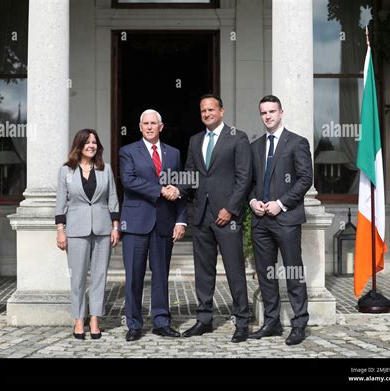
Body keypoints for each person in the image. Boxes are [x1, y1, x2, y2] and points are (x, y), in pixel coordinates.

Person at [179, 94, 252, 343]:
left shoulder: (237, 137)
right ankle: (204, 319)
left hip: (227, 216)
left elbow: (244, 177)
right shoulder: (195, 140)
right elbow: (190, 173)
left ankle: (242, 321)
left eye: (211, 109)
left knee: (234, 269)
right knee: (204, 271)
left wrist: (230, 209)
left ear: (222, 111)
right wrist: (176, 189)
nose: (207, 113)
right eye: (203, 111)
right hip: (201, 216)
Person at [248, 95, 312, 345]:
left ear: (281, 112)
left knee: (293, 271)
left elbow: (305, 179)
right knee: (265, 274)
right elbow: (250, 183)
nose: (268, 116)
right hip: (260, 220)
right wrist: (254, 202)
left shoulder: (297, 142)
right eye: (263, 112)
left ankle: (299, 323)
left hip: (286, 218)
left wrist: (281, 203)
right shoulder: (255, 147)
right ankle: (271, 322)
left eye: (272, 111)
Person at [119, 109, 187, 342]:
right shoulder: (128, 152)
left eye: (153, 123)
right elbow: (128, 181)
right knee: (134, 276)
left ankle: (161, 322)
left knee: (161, 275)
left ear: (161, 126)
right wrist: (159, 190)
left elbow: (179, 189)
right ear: (139, 127)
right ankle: (134, 324)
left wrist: (181, 219)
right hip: (136, 224)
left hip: (164, 223)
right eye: (145, 123)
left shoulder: (174, 153)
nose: (149, 127)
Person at [55, 129, 120, 340]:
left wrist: (116, 227)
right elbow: (60, 203)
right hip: (75, 230)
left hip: (103, 229)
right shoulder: (66, 171)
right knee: (78, 278)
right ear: (79, 145)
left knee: (100, 276)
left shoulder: (105, 169)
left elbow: (112, 199)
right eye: (87, 142)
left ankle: (94, 320)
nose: (91, 145)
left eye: (94, 142)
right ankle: (78, 320)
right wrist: (60, 231)